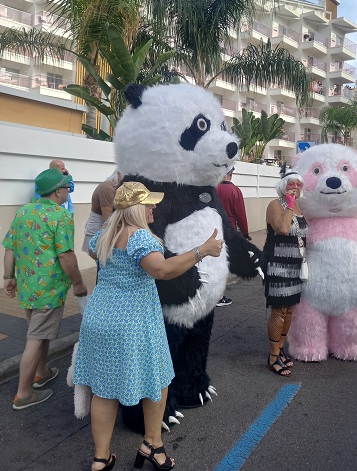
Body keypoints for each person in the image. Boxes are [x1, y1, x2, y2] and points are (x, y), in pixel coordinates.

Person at [73, 181, 223, 471]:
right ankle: (153, 445)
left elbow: (95, 253)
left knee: (104, 391)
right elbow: (162, 270)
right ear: (135, 208)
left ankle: (101, 458)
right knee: (157, 380)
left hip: (100, 318)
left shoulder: (105, 234)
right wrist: (202, 250)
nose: (154, 206)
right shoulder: (140, 237)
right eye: (148, 202)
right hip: (134, 322)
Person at [2, 168, 87, 410]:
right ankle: (23, 393)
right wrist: (78, 283)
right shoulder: (61, 216)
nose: (68, 191)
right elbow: (66, 255)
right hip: (49, 291)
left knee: (38, 333)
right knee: (36, 337)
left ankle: (42, 372)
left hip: (27, 288)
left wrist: (8, 277)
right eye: (66, 187)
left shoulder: (24, 211)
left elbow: (10, 247)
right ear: (58, 191)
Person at [263, 171, 307, 376]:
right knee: (279, 310)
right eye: (291, 183)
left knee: (289, 309)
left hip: (295, 265)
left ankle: (280, 350)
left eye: (299, 184)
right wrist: (289, 204)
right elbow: (282, 228)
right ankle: (273, 357)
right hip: (278, 265)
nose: (295, 187)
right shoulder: (275, 204)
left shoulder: (298, 207)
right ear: (283, 185)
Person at [216, 165, 250, 304]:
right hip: (229, 231)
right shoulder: (235, 191)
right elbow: (241, 214)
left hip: (212, 229)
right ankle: (220, 296)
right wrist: (245, 233)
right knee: (225, 263)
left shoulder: (214, 188)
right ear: (231, 174)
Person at [82, 170, 122, 254]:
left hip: (102, 230)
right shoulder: (107, 189)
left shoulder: (112, 187)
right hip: (98, 231)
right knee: (102, 259)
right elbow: (107, 219)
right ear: (119, 176)